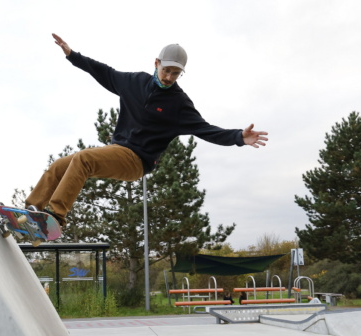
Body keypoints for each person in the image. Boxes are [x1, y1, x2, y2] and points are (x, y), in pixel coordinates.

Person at [25, 33, 268, 228]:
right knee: (60, 166)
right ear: (157, 63)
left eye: (176, 73)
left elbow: (205, 129)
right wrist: (72, 55)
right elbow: (105, 72)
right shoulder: (134, 82)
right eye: (167, 70)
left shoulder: (179, 103)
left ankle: (55, 217)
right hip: (117, 149)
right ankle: (29, 212)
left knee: (84, 158)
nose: (170, 77)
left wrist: (238, 137)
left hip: (137, 161)